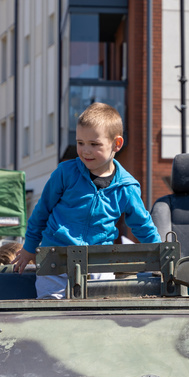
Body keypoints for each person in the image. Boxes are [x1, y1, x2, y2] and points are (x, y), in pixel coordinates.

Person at [12, 102, 160, 297]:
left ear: (116, 144)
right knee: (51, 309)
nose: (85, 151)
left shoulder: (126, 187)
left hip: (98, 260)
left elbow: (143, 225)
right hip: (56, 255)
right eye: (80, 143)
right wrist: (30, 248)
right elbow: (42, 211)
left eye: (94, 144)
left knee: (97, 311)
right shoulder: (65, 173)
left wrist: (161, 256)